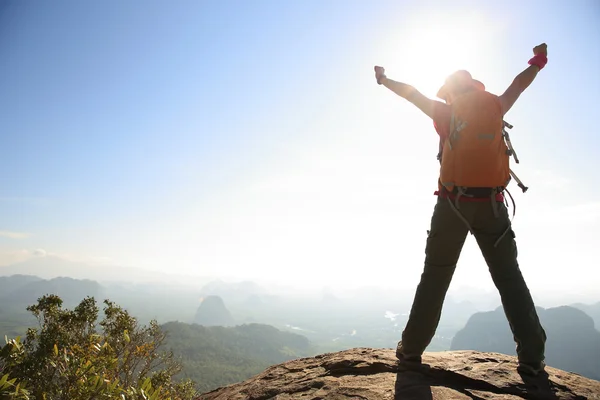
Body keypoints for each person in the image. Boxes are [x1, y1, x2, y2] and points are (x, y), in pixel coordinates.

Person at [374, 43, 549, 376]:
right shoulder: (496, 104)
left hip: (452, 205)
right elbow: (520, 82)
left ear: (450, 93)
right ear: (474, 87)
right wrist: (538, 60)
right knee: (509, 278)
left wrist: (384, 80)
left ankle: (411, 350)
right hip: (492, 207)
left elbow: (411, 94)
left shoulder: (444, 112)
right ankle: (531, 355)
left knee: (436, 275)